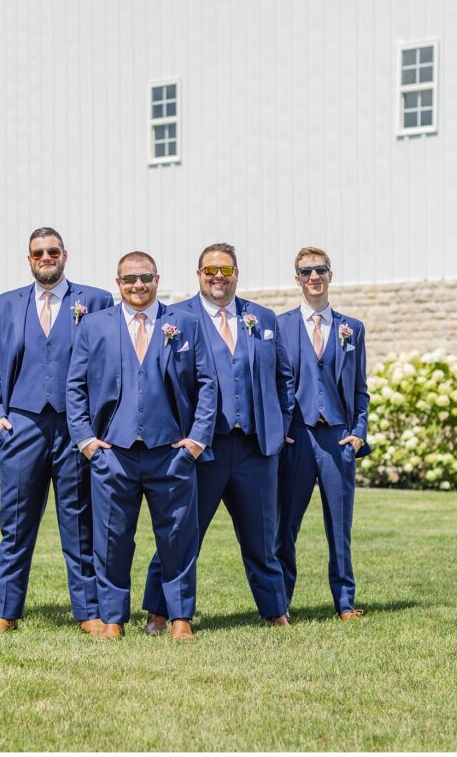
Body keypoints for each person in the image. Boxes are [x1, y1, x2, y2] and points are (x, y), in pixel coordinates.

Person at [143, 243, 295, 631]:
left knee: (262, 536)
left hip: (254, 448)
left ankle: (275, 610)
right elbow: (161, 381)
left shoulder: (261, 318)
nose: (217, 277)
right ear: (198, 275)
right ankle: (160, 611)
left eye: (225, 271)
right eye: (210, 270)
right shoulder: (175, 317)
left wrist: (278, 426)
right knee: (181, 534)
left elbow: (284, 378)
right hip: (201, 449)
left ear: (236, 274)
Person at [66, 250, 217, 640]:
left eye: (145, 278)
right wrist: (86, 441)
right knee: (112, 538)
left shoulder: (183, 324)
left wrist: (196, 441)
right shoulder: (95, 326)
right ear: (118, 283)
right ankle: (113, 618)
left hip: (171, 453)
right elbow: (75, 387)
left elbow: (207, 384)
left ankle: (180, 616)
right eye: (130, 279)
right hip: (112, 454)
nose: (138, 285)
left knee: (178, 536)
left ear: (157, 278)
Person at [0, 227, 113, 635]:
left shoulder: (94, 300)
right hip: (23, 425)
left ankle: (88, 611)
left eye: (52, 251)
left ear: (64, 255)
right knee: (15, 522)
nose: (46, 257)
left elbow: (107, 364)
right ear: (29, 259)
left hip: (76, 428)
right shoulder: (5, 305)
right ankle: (5, 610)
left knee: (79, 521)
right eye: (38, 252)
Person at [276, 247, 370, 620]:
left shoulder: (352, 328)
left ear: (330, 275)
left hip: (336, 438)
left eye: (320, 270)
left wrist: (358, 432)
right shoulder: (279, 325)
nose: (313, 277)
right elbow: (270, 383)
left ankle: (345, 603)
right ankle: (279, 603)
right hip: (296, 438)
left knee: (339, 526)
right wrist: (278, 430)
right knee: (285, 526)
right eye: (305, 271)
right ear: (296, 279)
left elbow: (360, 387)